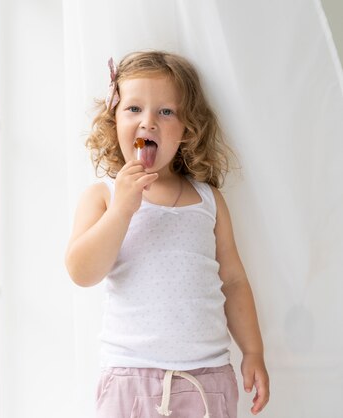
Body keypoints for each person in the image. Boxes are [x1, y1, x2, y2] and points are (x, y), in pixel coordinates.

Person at [65, 51, 270, 418]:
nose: (149, 123)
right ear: (113, 119)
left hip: (207, 380)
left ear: (187, 128)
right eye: (133, 109)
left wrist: (253, 351)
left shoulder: (208, 199)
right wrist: (124, 209)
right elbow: (82, 271)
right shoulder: (104, 195)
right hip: (131, 379)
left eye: (166, 112)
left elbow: (234, 280)